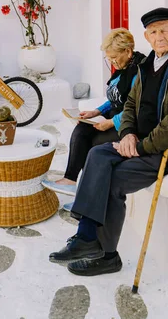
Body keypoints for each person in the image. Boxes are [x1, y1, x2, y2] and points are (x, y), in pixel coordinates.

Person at [49, 7, 168, 276]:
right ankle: (87, 238)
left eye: (165, 29)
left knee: (114, 179)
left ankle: (105, 255)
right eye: (153, 31)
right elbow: (129, 104)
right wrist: (127, 133)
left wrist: (139, 147)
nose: (159, 36)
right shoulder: (148, 64)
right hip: (141, 140)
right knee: (97, 155)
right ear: (146, 37)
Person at [42, 28, 145, 209]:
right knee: (82, 129)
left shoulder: (139, 72)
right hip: (112, 117)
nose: (112, 62)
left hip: (127, 124)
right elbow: (114, 99)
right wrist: (96, 112)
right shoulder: (123, 69)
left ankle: (89, 201)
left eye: (114, 57)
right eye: (108, 58)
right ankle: (70, 180)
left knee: (95, 145)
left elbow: (136, 108)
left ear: (128, 52)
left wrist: (110, 122)